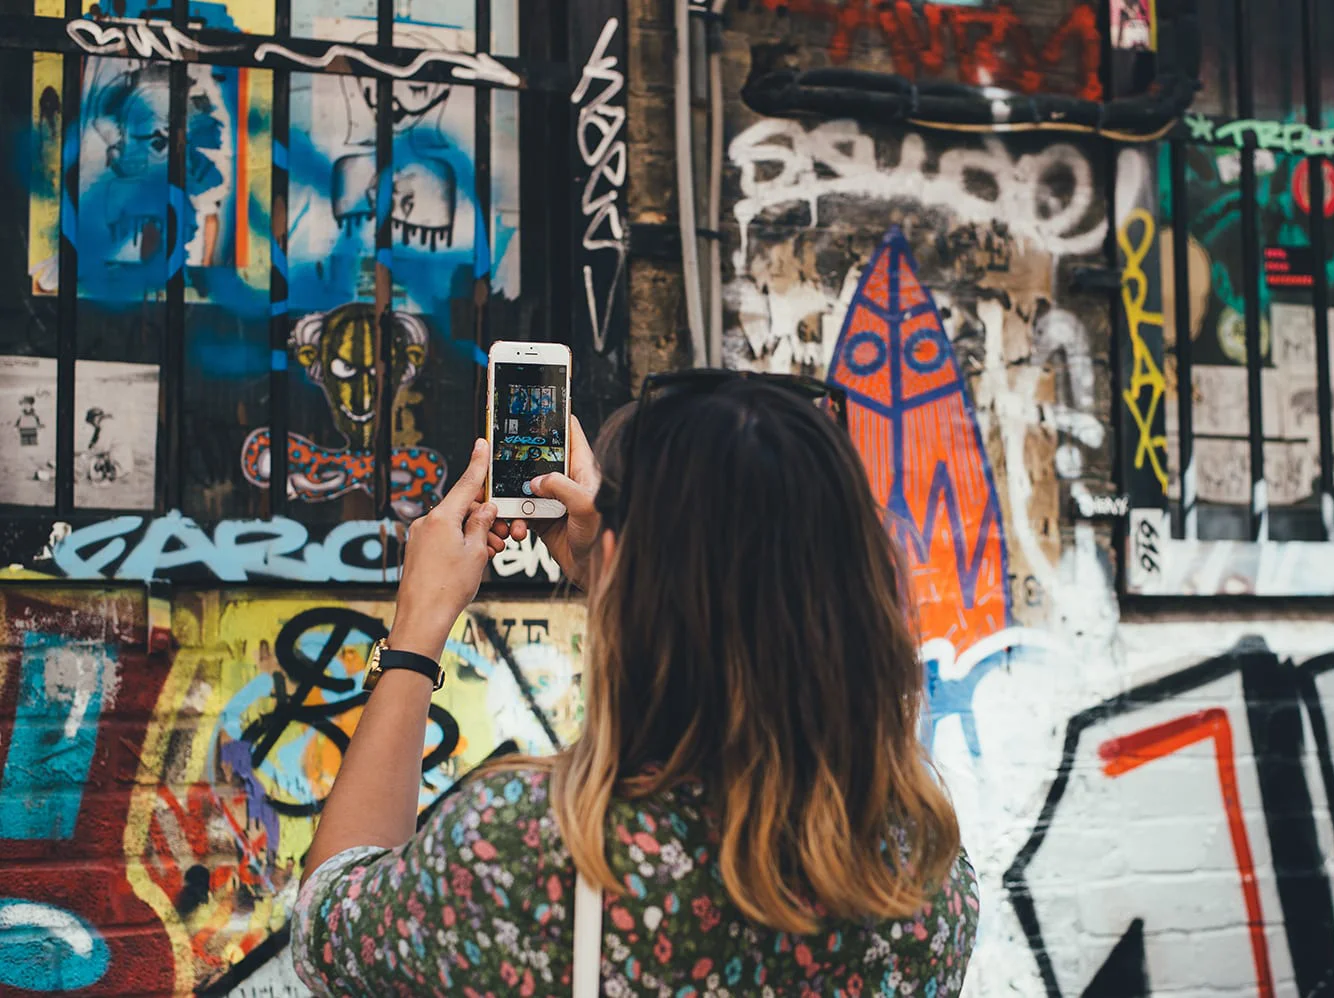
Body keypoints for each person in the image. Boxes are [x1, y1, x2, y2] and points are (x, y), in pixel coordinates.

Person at [291, 374, 979, 996]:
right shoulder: (921, 872)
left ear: (616, 556)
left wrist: (417, 630)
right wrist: (621, 576)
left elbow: (325, 923)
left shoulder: (525, 851)